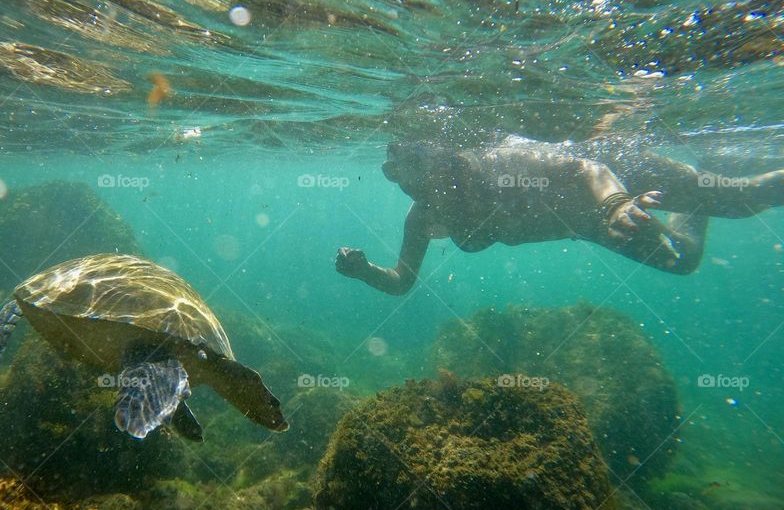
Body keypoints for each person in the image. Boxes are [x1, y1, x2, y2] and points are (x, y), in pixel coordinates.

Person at [336, 134, 784, 295]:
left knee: (741, 200)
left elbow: (584, 168)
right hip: (594, 223)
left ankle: (710, 183)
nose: (412, 188)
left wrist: (615, 203)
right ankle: (706, 181)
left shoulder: (497, 165)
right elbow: (401, 281)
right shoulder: (423, 215)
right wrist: (363, 271)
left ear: (445, 163)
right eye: (399, 178)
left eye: (417, 174)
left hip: (617, 179)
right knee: (682, 260)